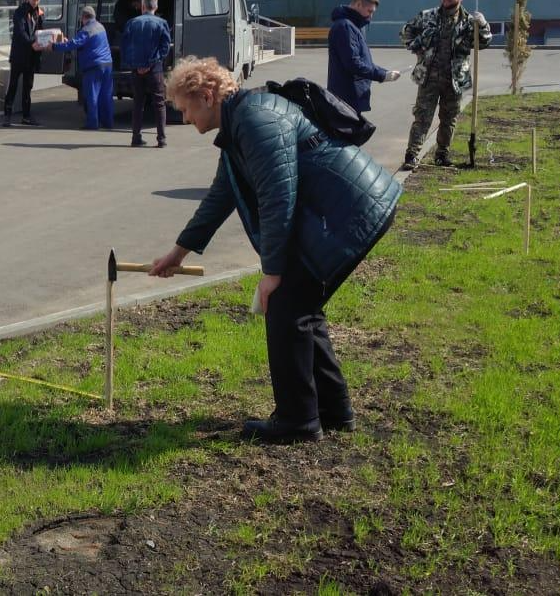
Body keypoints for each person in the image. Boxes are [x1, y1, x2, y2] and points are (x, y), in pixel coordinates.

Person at [148, 57, 401, 444]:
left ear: (207, 95)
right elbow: (221, 196)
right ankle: (333, 411)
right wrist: (178, 254)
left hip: (354, 211)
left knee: (285, 306)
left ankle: (298, 421)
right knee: (301, 310)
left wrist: (272, 272)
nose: (184, 119)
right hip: (349, 210)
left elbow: (277, 197)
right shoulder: (239, 124)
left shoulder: (254, 120)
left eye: (185, 108)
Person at [399, 0, 493, 170]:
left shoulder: (468, 21)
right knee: (422, 117)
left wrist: (483, 25)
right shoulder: (427, 16)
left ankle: (442, 155)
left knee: (449, 118)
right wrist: (416, 47)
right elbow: (405, 32)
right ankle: (412, 155)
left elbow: (483, 43)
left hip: (454, 80)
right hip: (429, 78)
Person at [325, 0, 399, 116]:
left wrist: (384, 72)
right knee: (347, 133)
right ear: (358, 4)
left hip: (350, 96)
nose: (370, 16)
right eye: (369, 11)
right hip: (346, 97)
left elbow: (363, 61)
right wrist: (381, 75)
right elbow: (353, 63)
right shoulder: (345, 27)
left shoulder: (352, 26)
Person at [120, 0, 173, 148]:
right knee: (159, 103)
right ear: (155, 7)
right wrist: (151, 63)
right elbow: (165, 48)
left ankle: (136, 137)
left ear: (142, 7)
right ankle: (161, 139)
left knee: (138, 103)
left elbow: (125, 47)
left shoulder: (131, 23)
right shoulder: (162, 23)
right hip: (155, 68)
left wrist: (135, 65)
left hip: (136, 69)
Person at [52, 5, 114, 130]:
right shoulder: (100, 27)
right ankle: (108, 123)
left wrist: (55, 46)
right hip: (107, 64)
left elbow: (74, 44)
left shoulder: (86, 30)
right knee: (106, 96)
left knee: (92, 96)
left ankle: (92, 124)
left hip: (93, 66)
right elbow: (89, 44)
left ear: (83, 17)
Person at [1, 0, 45, 127]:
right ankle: (7, 115)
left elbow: (40, 31)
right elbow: (20, 32)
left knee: (28, 86)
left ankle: (26, 116)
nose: (35, 2)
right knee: (13, 85)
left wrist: (44, 41)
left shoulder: (38, 13)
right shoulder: (20, 11)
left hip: (32, 56)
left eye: (38, 0)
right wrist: (32, 42)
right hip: (19, 55)